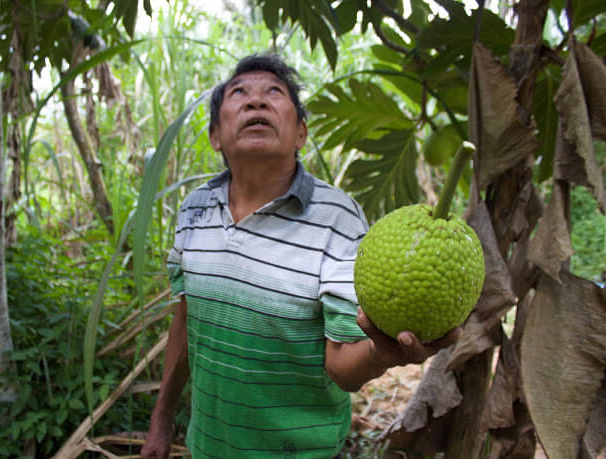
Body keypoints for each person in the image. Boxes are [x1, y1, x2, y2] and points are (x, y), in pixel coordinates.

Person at [140, 53, 460, 459]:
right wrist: (161, 417)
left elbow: (342, 364)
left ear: (301, 133)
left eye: (274, 92)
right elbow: (187, 319)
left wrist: (382, 354)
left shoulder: (337, 218)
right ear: (215, 136)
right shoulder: (194, 209)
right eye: (239, 93)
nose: (256, 102)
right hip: (207, 446)